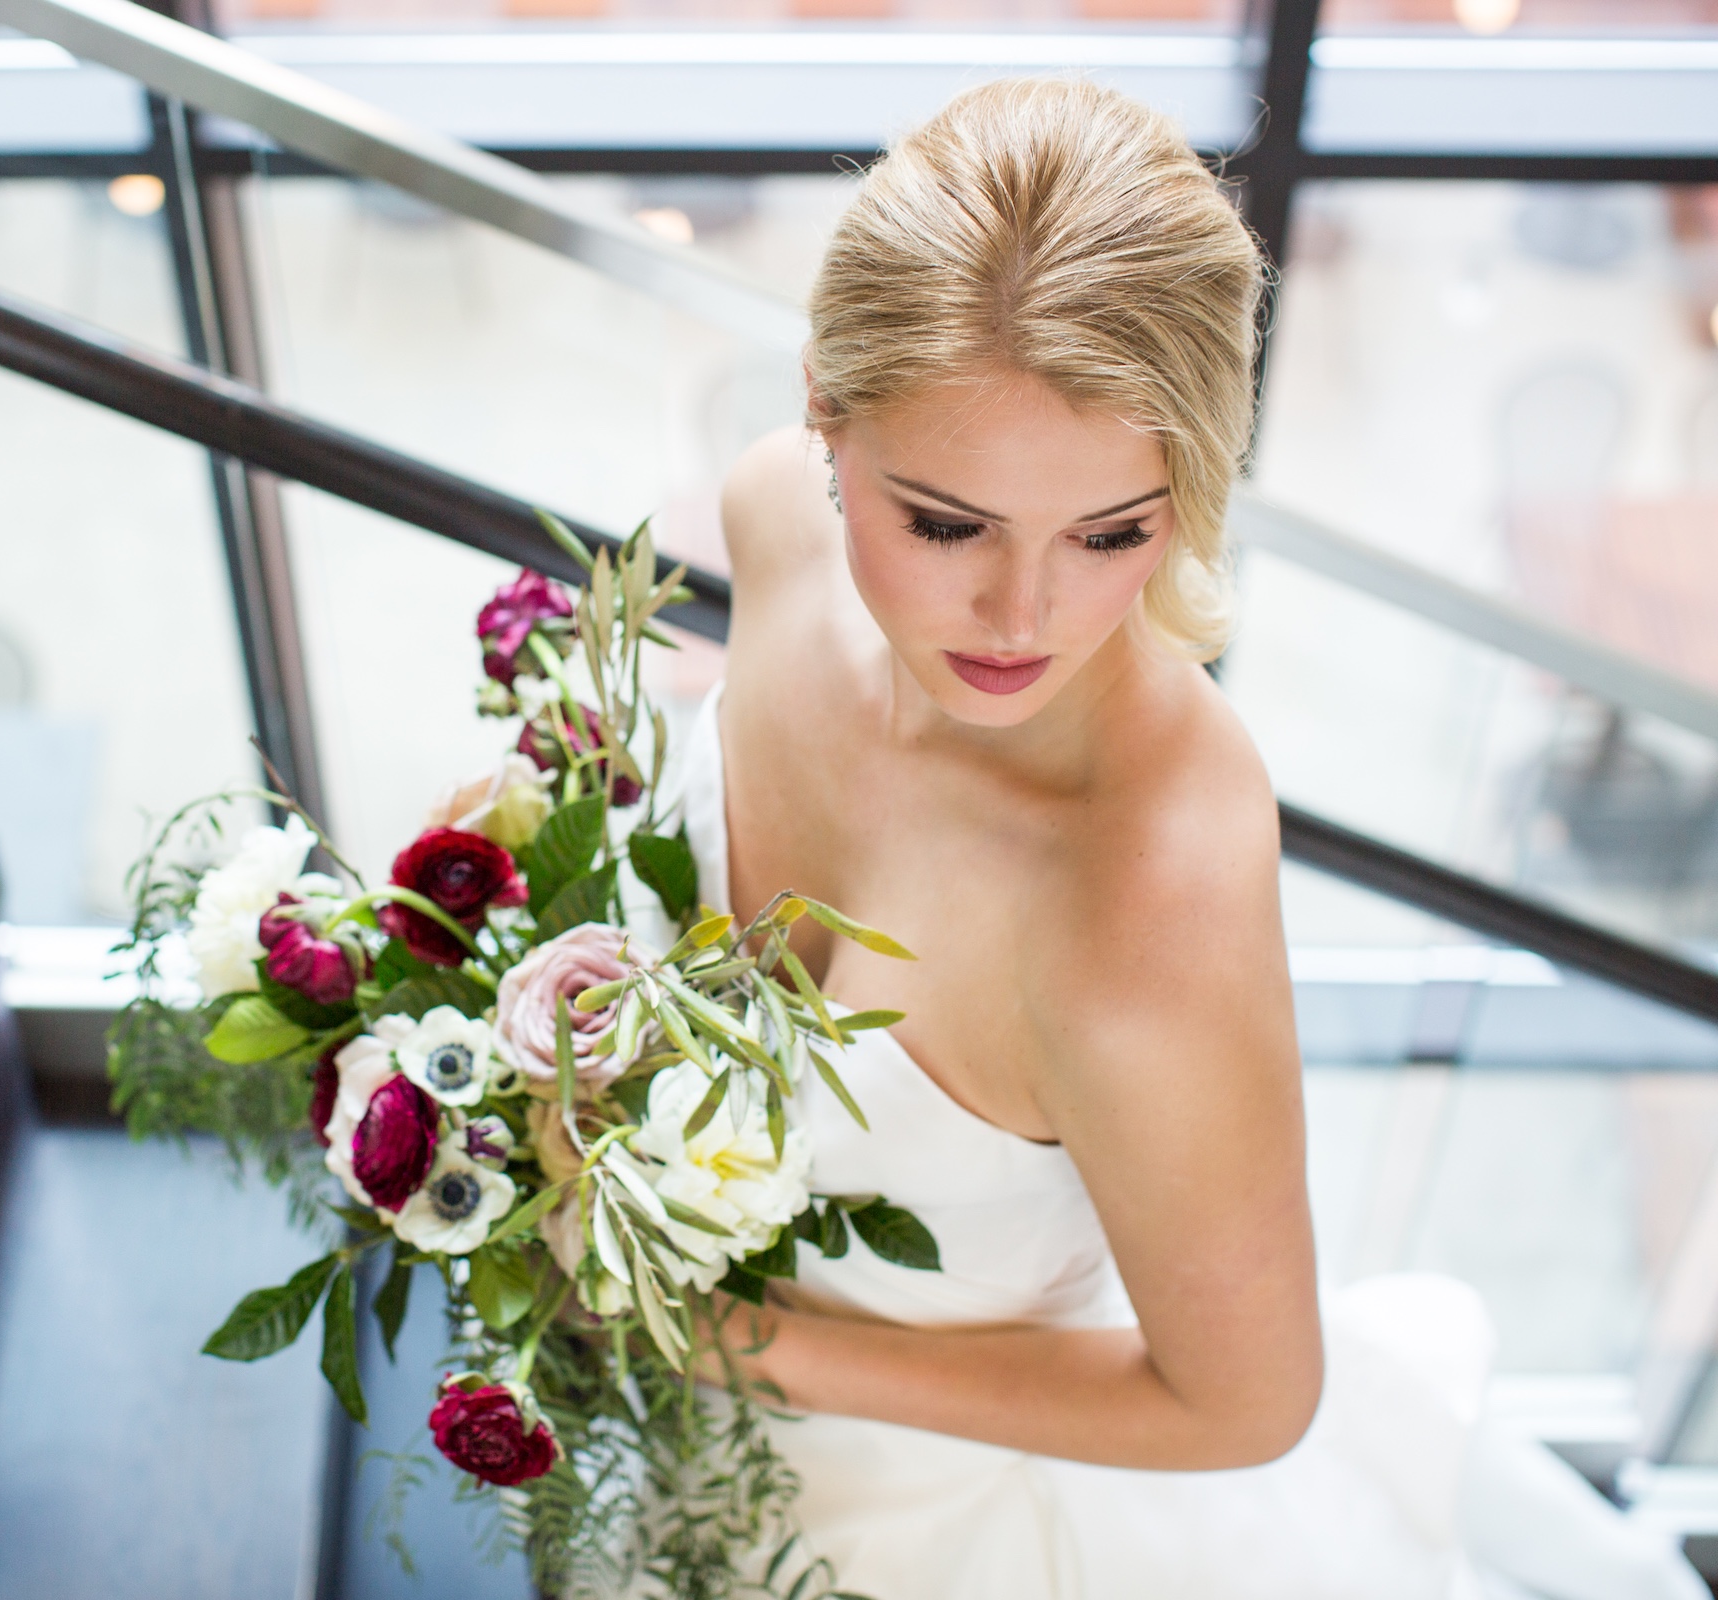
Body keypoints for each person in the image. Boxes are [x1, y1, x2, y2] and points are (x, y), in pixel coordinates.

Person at [684, 76, 1705, 1600]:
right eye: (947, 523)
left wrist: (754, 1349)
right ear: (824, 410)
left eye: (1113, 532)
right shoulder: (773, 514)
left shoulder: (1148, 895)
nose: (1023, 619)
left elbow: (1246, 1401)